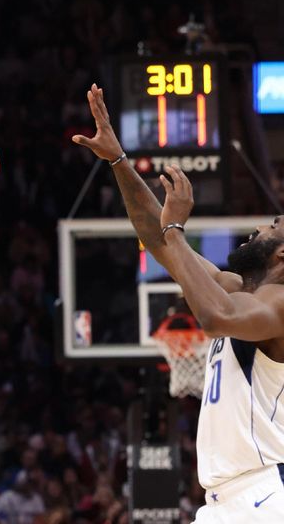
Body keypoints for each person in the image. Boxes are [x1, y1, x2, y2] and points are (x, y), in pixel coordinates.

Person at [73, 84, 284, 522]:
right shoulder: (237, 288)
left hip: (265, 491)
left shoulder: (279, 304)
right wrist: (118, 161)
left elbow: (215, 318)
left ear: (282, 253)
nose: (257, 229)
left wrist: (175, 232)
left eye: (270, 227)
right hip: (229, 498)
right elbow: (159, 239)